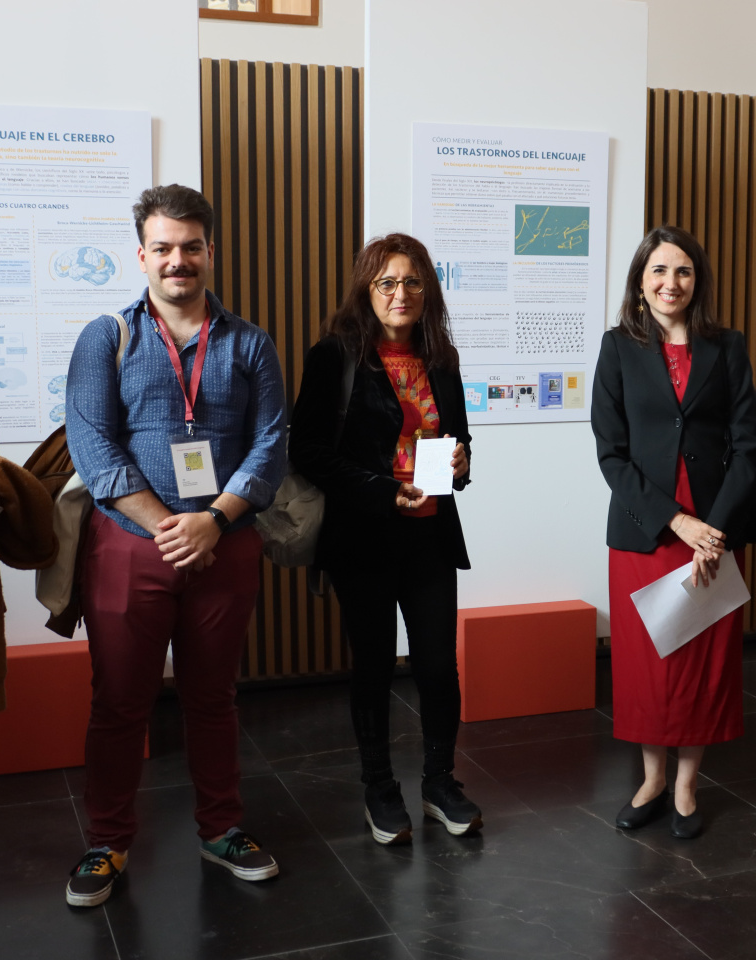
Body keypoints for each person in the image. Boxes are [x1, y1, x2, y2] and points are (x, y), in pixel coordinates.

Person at [62, 184, 288, 906]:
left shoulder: (250, 343)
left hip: (226, 547)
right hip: (130, 547)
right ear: (142, 255)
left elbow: (273, 443)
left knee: (213, 698)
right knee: (120, 702)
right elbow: (92, 445)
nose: (178, 260)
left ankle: (221, 829)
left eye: (191, 247)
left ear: (210, 252)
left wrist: (212, 521)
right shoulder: (108, 336)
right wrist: (169, 523)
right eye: (163, 247)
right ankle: (107, 840)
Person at [288, 233, 479, 845]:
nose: (401, 294)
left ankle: (440, 783)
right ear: (366, 290)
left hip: (430, 536)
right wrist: (379, 489)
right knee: (371, 665)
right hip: (365, 537)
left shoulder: (441, 358)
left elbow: (460, 444)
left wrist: (462, 465)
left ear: (428, 292)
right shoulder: (334, 357)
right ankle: (379, 788)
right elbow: (309, 451)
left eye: (413, 283)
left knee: (437, 668)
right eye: (388, 283)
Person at [592, 225, 756, 840]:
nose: (672, 283)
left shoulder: (727, 347)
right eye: (660, 271)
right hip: (648, 528)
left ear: (698, 281)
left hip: (716, 526)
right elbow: (611, 455)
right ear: (641, 283)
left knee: (703, 659)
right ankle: (651, 779)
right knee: (646, 661)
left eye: (684, 271)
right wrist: (679, 521)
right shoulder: (618, 348)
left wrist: (713, 528)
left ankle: (688, 784)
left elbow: (748, 447)